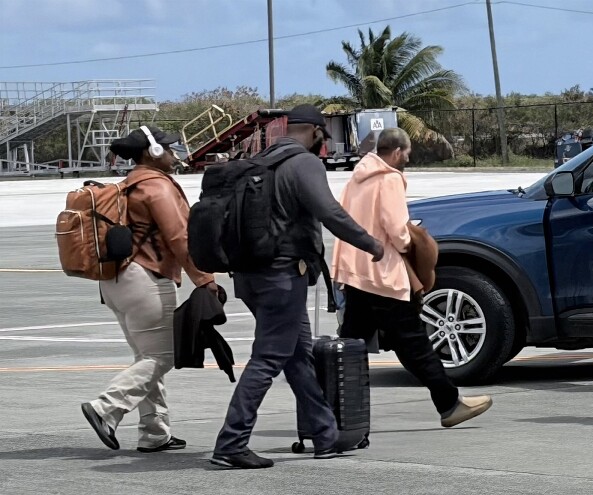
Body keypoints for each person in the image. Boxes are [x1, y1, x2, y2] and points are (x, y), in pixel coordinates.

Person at [212, 105, 385, 469]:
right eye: (325, 136)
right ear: (317, 132)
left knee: (298, 355)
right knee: (269, 357)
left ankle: (325, 435)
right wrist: (372, 244)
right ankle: (231, 441)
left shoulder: (261, 160)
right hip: (281, 277)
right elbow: (330, 213)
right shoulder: (304, 163)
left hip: (250, 276)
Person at [332, 128, 493, 429]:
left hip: (356, 271)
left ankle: (327, 407)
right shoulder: (390, 178)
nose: (408, 159)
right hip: (383, 273)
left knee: (351, 345)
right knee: (413, 340)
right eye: (407, 154)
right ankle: (449, 404)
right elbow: (396, 229)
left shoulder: (357, 178)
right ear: (396, 152)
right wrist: (410, 245)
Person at [81, 126, 218, 452]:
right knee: (162, 354)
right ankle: (106, 407)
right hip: (146, 279)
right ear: (154, 152)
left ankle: (155, 433)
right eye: (170, 148)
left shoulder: (127, 185)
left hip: (116, 282)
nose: (176, 153)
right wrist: (204, 278)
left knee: (147, 357)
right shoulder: (157, 187)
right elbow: (179, 238)